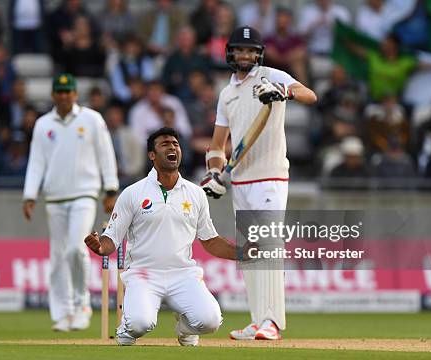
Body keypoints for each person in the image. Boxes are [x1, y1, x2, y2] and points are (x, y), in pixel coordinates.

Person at [200, 26, 317, 340]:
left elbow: (310, 95)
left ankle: (272, 322)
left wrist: (284, 92)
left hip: (271, 176)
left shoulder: (272, 76)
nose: (246, 56)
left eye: (251, 51)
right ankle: (257, 319)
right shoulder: (226, 94)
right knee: (249, 251)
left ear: (259, 54)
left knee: (268, 246)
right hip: (240, 180)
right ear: (231, 53)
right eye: (241, 50)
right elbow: (217, 144)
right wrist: (214, 173)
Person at [84, 127, 244, 346]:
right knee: (140, 324)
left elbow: (210, 240)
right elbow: (112, 237)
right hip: (143, 274)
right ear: (152, 155)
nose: (172, 147)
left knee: (211, 321)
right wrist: (100, 247)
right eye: (165, 144)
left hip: (183, 274)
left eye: (175, 144)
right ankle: (127, 327)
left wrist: (242, 252)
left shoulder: (195, 193)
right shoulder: (133, 193)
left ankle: (186, 327)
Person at [22, 73, 119, 332]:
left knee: (75, 249)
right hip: (54, 197)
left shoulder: (91, 119)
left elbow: (105, 153)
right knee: (57, 257)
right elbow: (36, 162)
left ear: (75, 94)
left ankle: (82, 305)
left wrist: (111, 188)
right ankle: (63, 313)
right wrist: (30, 195)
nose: (64, 96)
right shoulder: (44, 124)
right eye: (59, 92)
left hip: (85, 194)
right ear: (53, 95)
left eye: (68, 91)